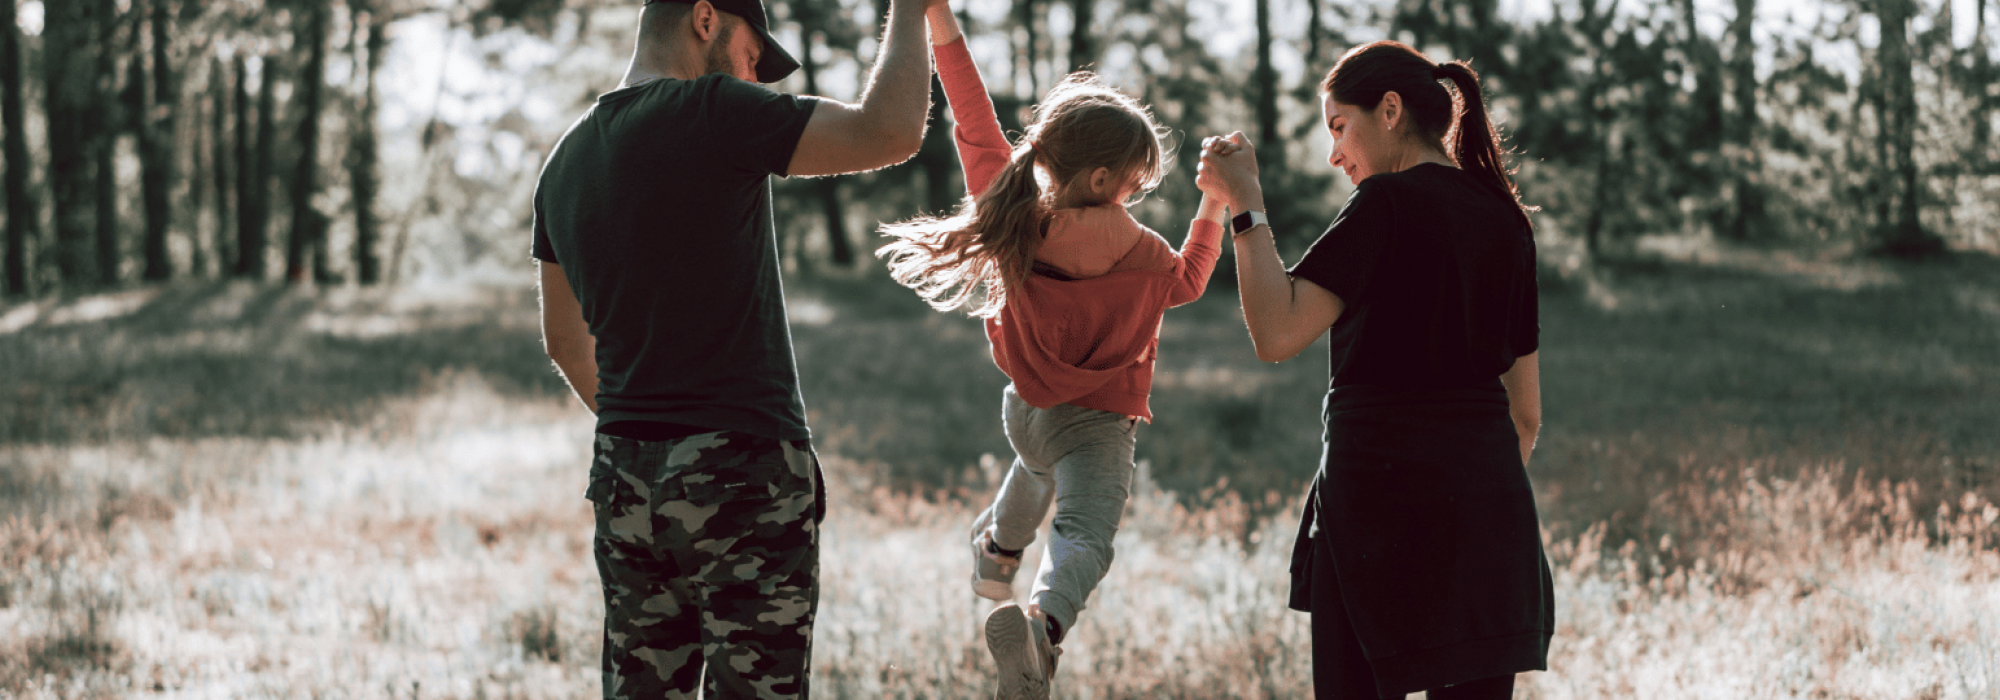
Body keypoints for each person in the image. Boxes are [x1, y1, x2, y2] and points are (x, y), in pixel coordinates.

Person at [529, 0, 936, 696]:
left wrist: (654, 433)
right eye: (754, 51)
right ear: (705, 19)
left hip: (626, 476)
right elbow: (890, 131)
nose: (756, 72)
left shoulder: (564, 163)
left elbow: (565, 342)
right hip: (740, 471)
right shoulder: (713, 112)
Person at [876, 5, 1226, 698]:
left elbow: (972, 120)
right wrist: (1212, 205)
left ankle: (998, 552)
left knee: (1035, 465)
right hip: (1094, 426)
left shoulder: (1013, 220)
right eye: (1134, 182)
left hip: (1027, 414)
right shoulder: (1145, 252)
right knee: (1083, 536)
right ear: (1103, 181)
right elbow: (1188, 283)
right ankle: (1043, 625)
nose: (1134, 194)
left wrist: (940, 24)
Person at [1195, 40, 1554, 700]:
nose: (1335, 154)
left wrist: (1246, 206)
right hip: (1488, 521)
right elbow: (1525, 416)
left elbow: (1277, 332)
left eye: (1339, 126)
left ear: (1389, 111)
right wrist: (1466, 501)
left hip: (1375, 517)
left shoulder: (1385, 204)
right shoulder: (1508, 224)